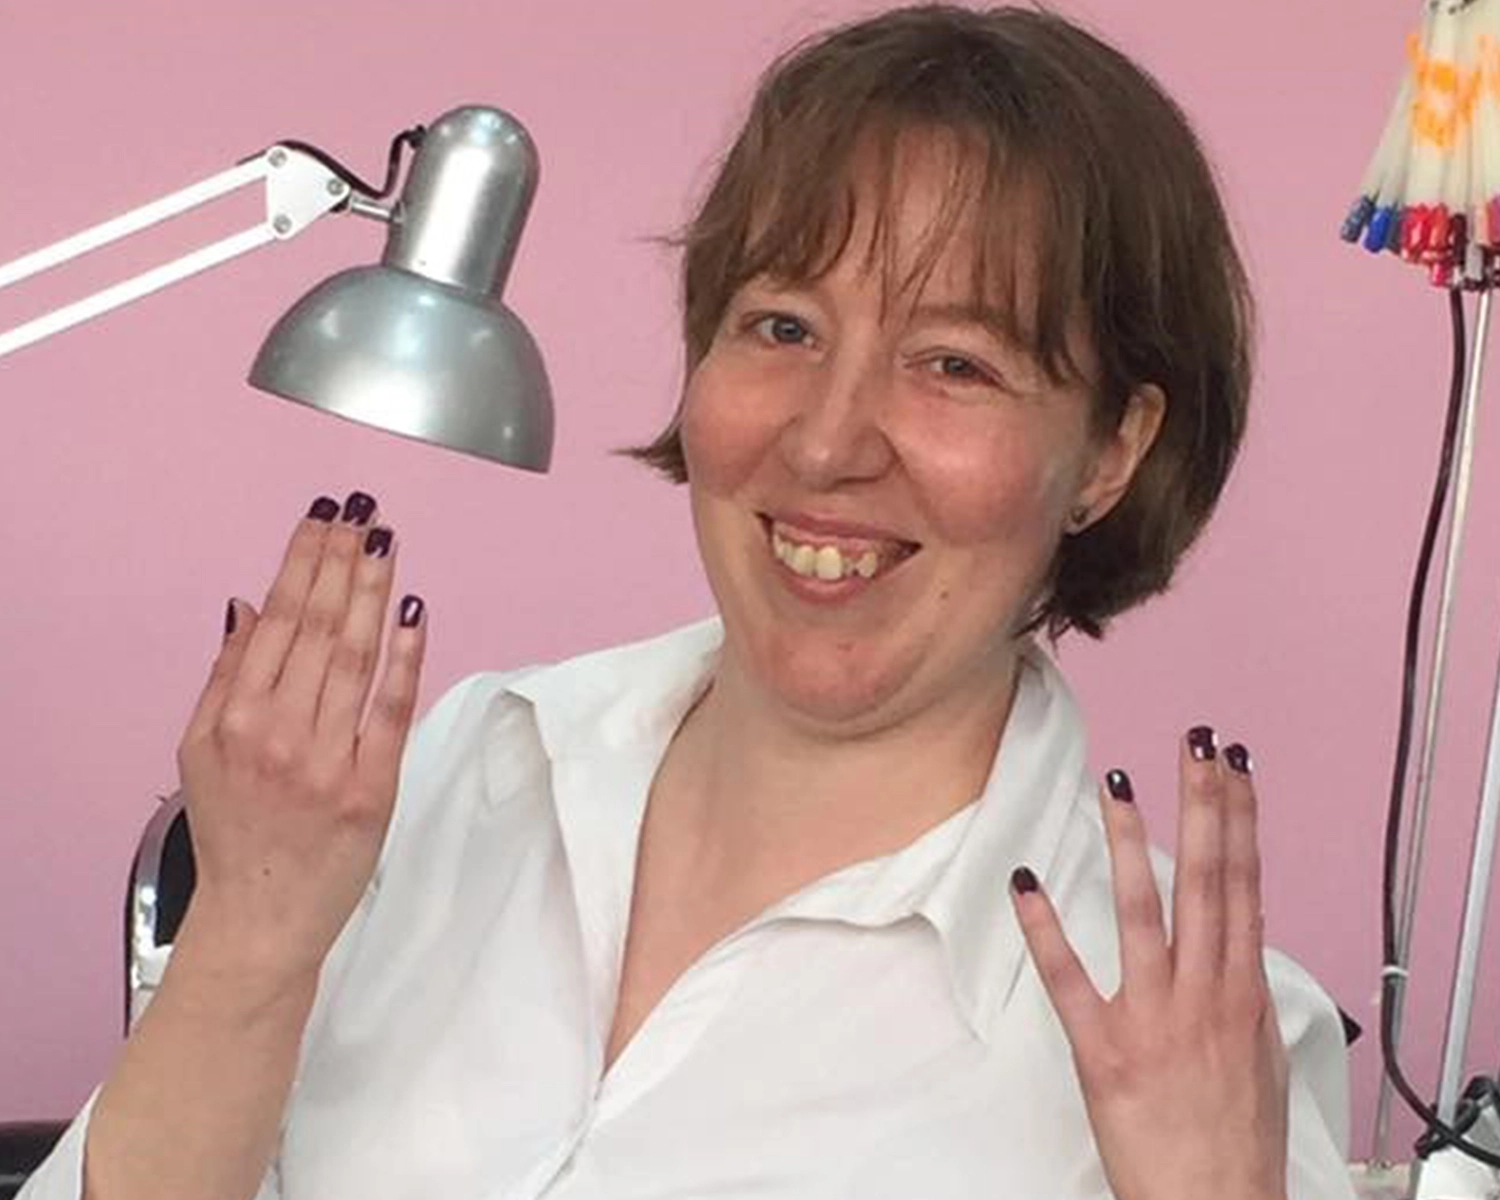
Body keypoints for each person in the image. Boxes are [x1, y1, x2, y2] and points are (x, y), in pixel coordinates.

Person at [23, 6, 1357, 1200]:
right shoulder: (456, 778)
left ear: (1112, 451)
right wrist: (248, 941)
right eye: (781, 325)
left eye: (954, 361)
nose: (829, 442)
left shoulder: (1204, 1030)